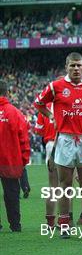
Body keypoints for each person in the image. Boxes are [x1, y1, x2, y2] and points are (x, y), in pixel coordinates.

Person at [34, 52, 82, 238]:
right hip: (65, 139)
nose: (76, 69)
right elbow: (38, 103)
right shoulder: (56, 86)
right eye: (72, 66)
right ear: (66, 67)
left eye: (79, 65)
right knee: (64, 184)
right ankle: (64, 224)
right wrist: (50, 116)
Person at [0, 80, 30, 232]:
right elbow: (24, 139)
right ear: (7, 93)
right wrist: (23, 161)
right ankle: (15, 225)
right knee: (12, 194)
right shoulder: (15, 112)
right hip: (10, 161)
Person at [35, 102, 59, 228]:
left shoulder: (45, 109)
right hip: (66, 143)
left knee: (52, 186)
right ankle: (65, 220)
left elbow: (38, 130)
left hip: (50, 144)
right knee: (67, 185)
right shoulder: (68, 104)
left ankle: (50, 222)